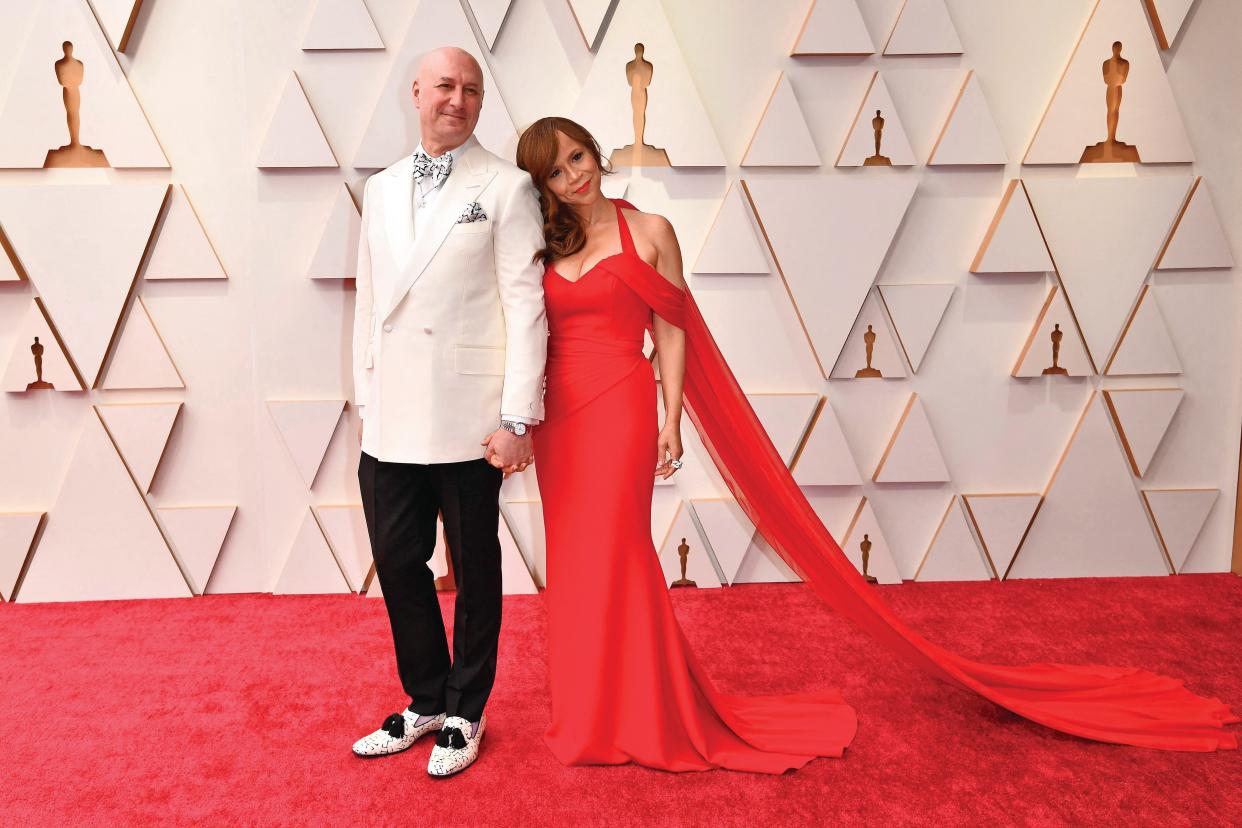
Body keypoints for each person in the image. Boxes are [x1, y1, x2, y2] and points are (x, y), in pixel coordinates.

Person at [514, 116, 1237, 773]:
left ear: (596, 153)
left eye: (578, 156)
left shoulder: (652, 232)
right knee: (575, 559)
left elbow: (671, 328)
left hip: (620, 408)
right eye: (556, 170)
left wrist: (671, 416)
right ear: (542, 184)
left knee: (622, 552)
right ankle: (587, 713)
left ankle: (643, 712)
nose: (574, 174)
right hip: (559, 420)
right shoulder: (548, 243)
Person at [349, 47, 546, 778]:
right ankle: (425, 698)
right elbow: (373, 303)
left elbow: (526, 304)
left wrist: (518, 417)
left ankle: (467, 708)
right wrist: (366, 397)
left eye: (471, 89)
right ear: (416, 94)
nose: (456, 100)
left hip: (469, 417)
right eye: (444, 87)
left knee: (474, 567)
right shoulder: (380, 188)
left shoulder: (506, 185)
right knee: (400, 564)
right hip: (391, 415)